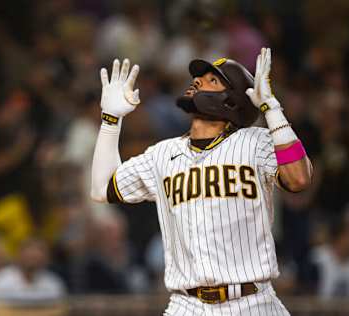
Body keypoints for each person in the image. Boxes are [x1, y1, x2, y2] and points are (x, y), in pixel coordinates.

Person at [91, 48, 313, 315]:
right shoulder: (162, 154)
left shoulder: (255, 142)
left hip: (252, 302)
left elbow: (299, 178)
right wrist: (110, 121)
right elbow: (101, 188)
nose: (197, 81)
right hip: (187, 305)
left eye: (212, 80)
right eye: (198, 78)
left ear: (231, 101)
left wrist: (272, 108)